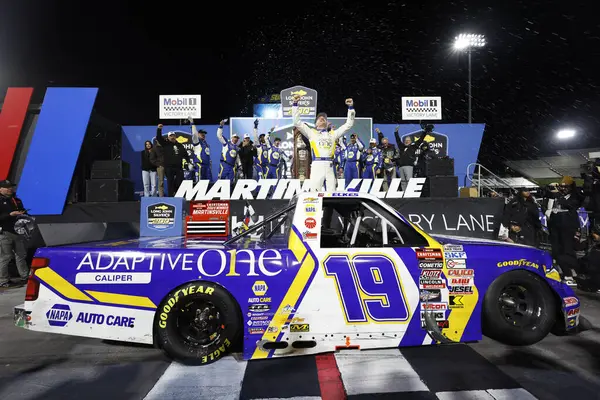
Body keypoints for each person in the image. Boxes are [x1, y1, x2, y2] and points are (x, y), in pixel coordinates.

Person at [292, 95, 355, 191]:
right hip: (317, 165)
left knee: (332, 193)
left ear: (327, 122)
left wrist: (351, 108)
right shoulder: (312, 133)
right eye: (319, 118)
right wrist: (295, 104)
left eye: (324, 118)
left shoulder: (333, 134)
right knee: (314, 192)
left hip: (330, 165)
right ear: (315, 123)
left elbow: (348, 125)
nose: (322, 118)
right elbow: (297, 122)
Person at [547, 176, 583, 286]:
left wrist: (558, 194)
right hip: (556, 227)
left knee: (567, 250)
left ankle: (572, 273)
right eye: (561, 186)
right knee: (557, 250)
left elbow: (570, 205)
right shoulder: (556, 196)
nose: (563, 189)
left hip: (568, 227)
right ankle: (564, 271)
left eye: (566, 186)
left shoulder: (575, 197)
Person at [0, 180, 30, 289]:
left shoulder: (16, 200)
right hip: (5, 232)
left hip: (18, 231)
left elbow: (22, 211)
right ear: (0, 189)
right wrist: (9, 214)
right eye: (7, 187)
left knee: (21, 255)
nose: (10, 189)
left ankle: (25, 276)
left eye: (11, 187)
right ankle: (3, 280)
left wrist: (25, 214)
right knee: (6, 257)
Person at [155, 125, 188, 197]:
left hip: (179, 167)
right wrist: (159, 129)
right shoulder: (165, 144)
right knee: (170, 182)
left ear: (175, 137)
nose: (172, 137)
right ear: (168, 137)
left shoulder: (180, 145)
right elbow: (159, 138)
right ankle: (170, 197)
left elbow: (185, 154)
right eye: (171, 136)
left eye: (173, 136)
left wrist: (188, 162)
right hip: (169, 167)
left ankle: (178, 195)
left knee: (179, 181)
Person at [189, 117, 212, 182]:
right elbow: (194, 134)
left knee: (208, 182)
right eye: (201, 133)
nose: (203, 134)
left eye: (204, 133)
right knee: (199, 183)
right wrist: (192, 123)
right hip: (199, 165)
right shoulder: (197, 141)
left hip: (207, 166)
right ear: (198, 134)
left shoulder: (206, 143)